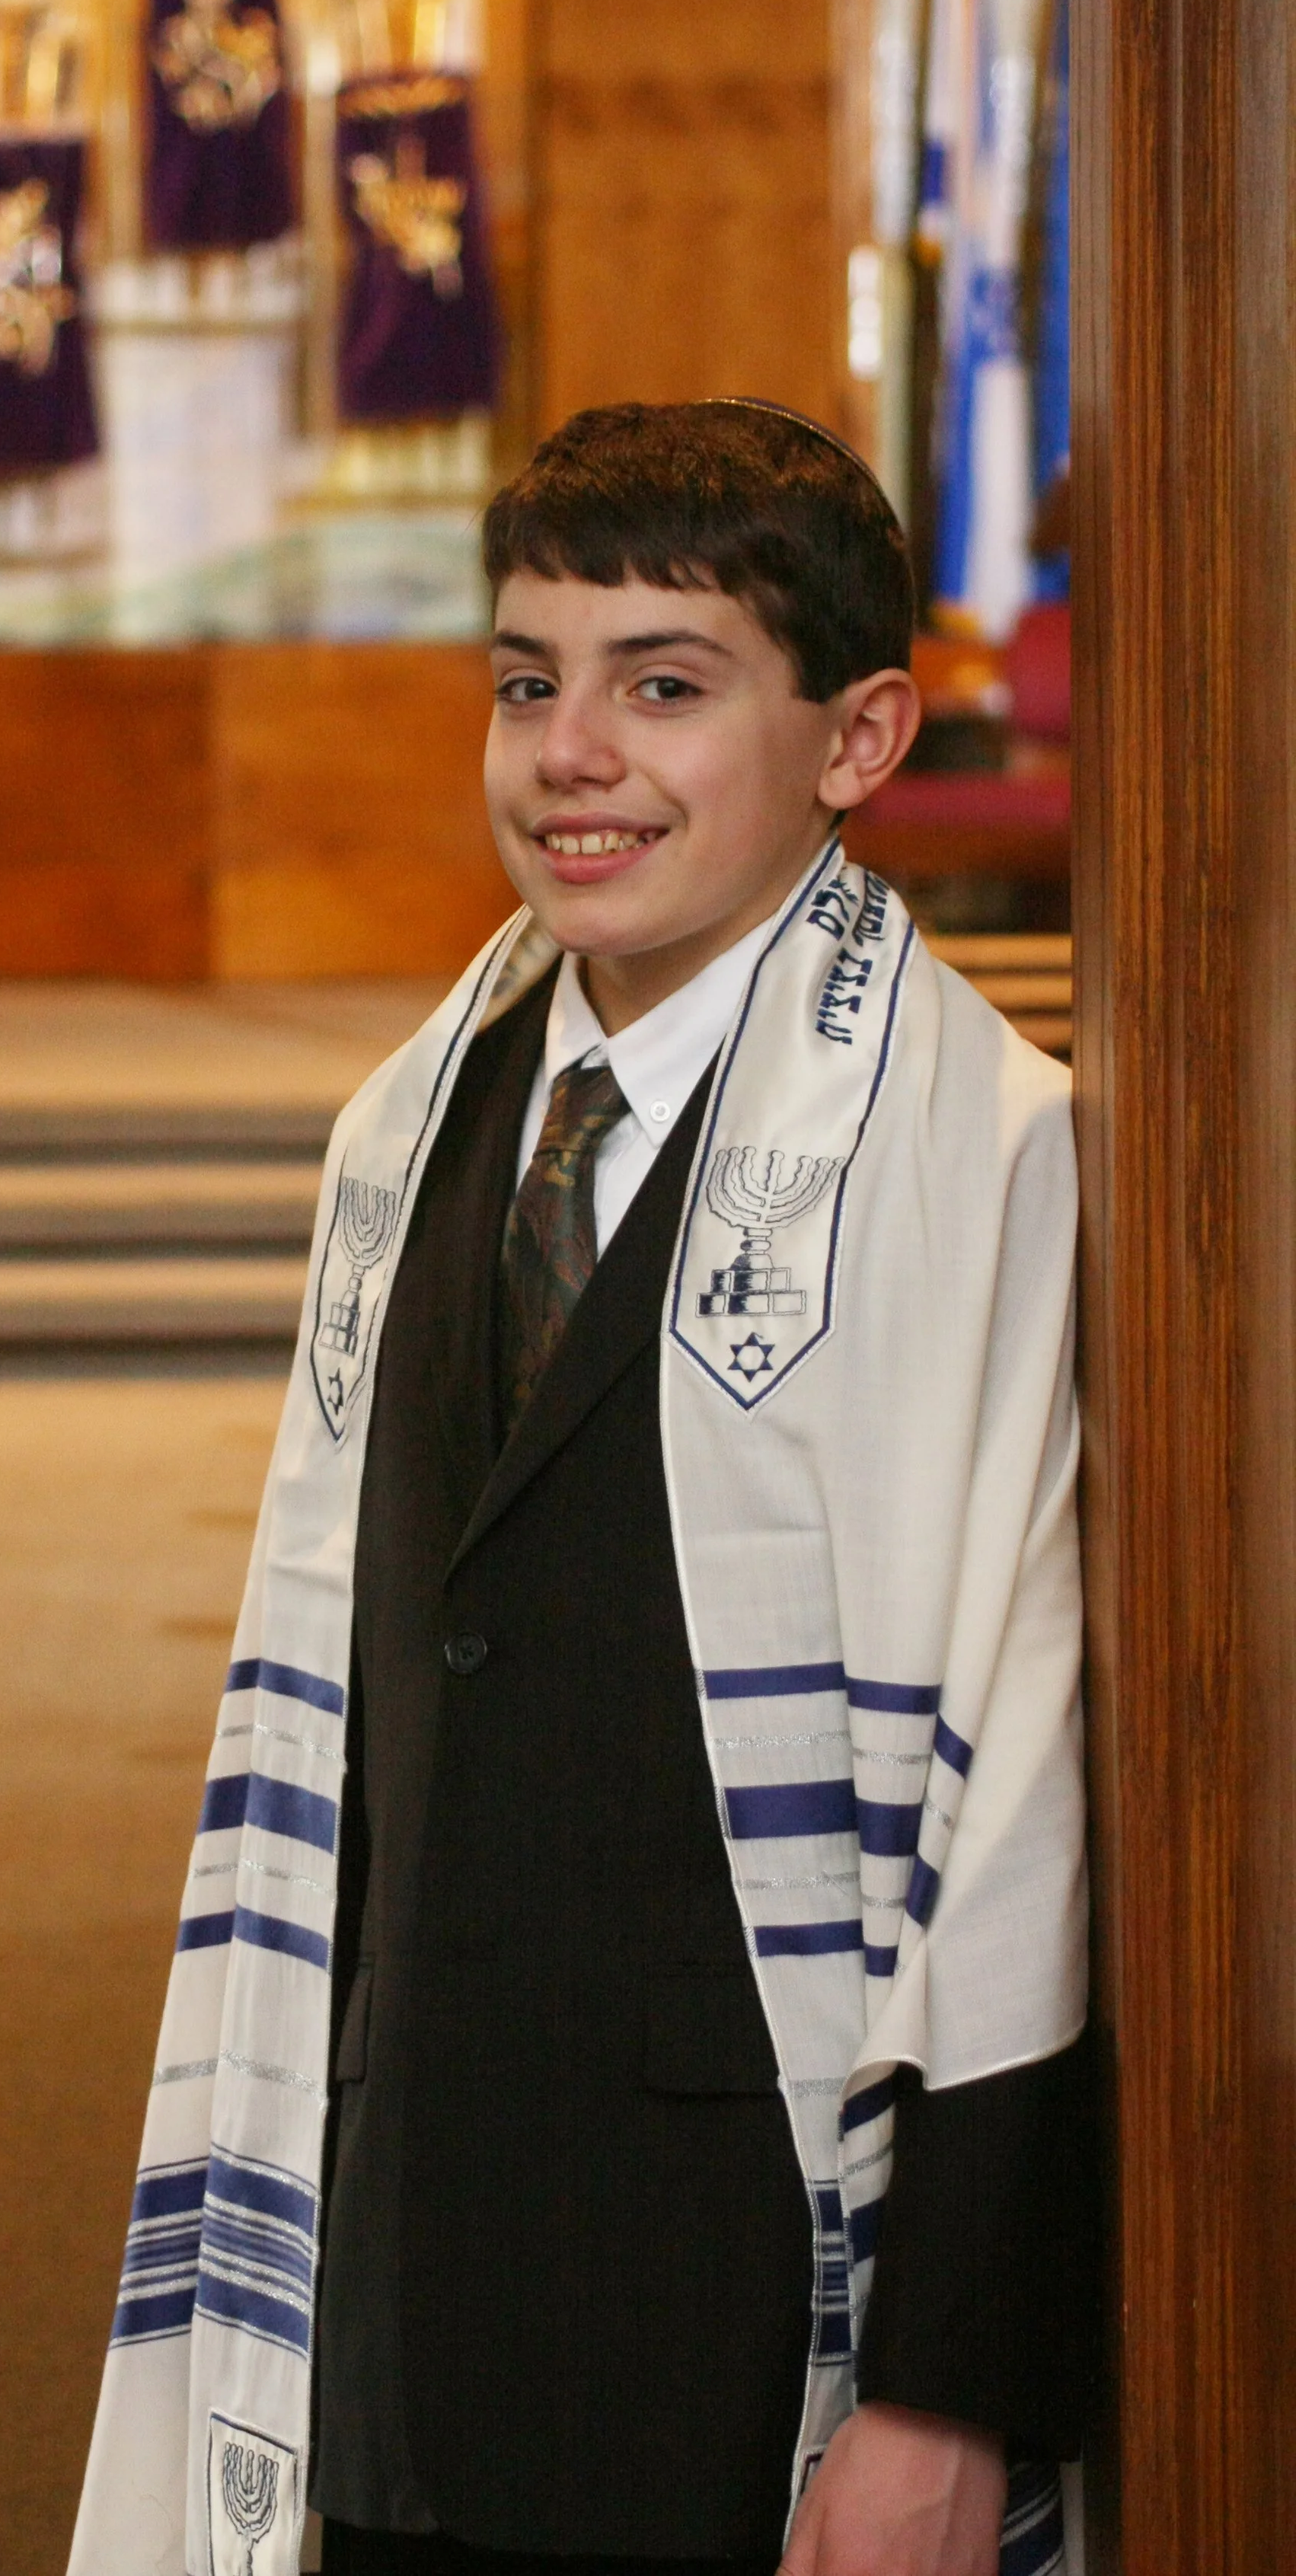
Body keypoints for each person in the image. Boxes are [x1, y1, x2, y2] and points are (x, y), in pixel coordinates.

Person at [68, 402, 1091, 2576]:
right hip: (409, 2248)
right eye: (526, 681)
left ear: (858, 733)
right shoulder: (414, 1120)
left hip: (724, 2294)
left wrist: (938, 2380)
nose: (571, 753)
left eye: (664, 682)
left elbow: (1018, 1803)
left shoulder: (971, 1148)